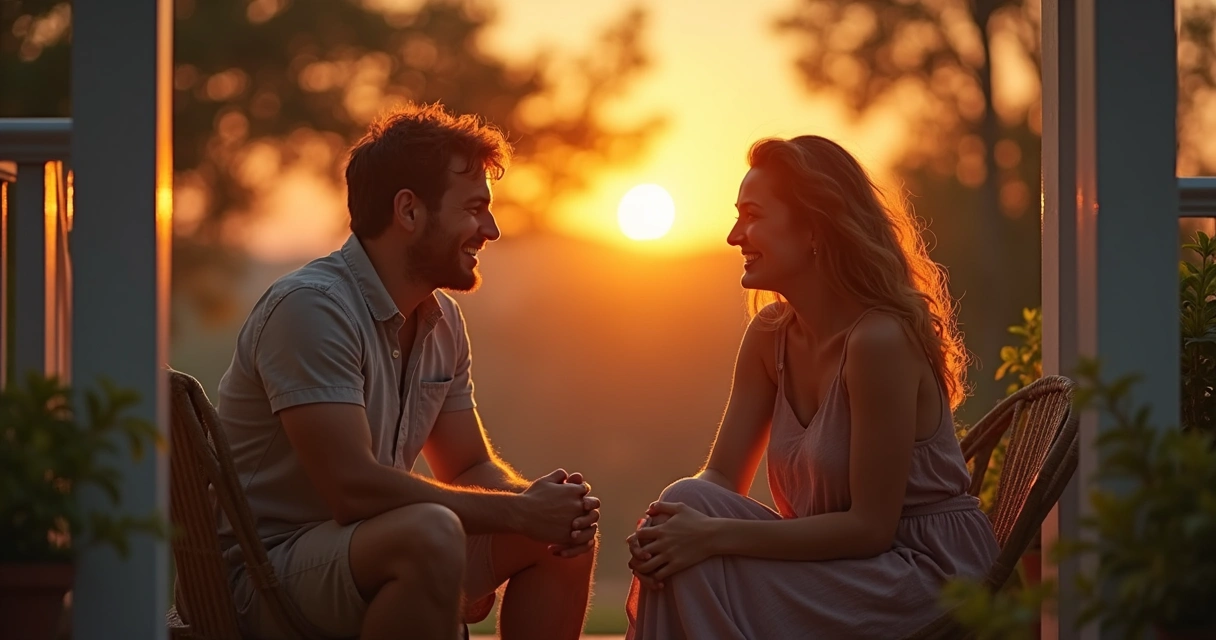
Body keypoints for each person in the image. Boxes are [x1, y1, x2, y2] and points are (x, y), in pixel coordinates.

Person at [215, 103, 599, 640]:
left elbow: (466, 466)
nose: (491, 229)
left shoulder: (442, 322)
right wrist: (516, 515)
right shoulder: (311, 308)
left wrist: (538, 504)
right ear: (409, 211)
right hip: (264, 576)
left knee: (565, 536)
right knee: (430, 532)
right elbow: (353, 490)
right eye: (473, 208)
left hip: (374, 545)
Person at [624, 135, 1000, 638]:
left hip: (922, 574)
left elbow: (870, 528)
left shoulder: (878, 342)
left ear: (813, 229)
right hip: (839, 564)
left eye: (753, 215)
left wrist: (709, 537)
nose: (735, 235)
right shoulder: (770, 336)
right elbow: (721, 476)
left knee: (694, 557)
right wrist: (672, 525)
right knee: (686, 502)